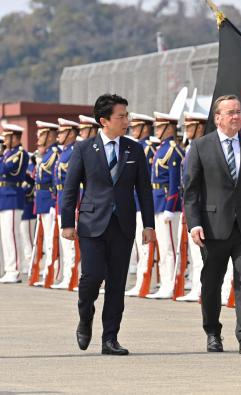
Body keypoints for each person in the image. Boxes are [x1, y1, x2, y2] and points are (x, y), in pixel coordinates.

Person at [61, 93, 156, 355]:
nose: (127, 120)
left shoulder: (134, 148)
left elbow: (144, 190)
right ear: (104, 120)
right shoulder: (83, 149)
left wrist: (149, 224)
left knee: (117, 282)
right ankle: (85, 316)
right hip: (92, 224)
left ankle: (110, 338)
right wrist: (67, 223)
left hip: (123, 224)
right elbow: (70, 189)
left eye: (127, 115)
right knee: (91, 277)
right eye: (121, 116)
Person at [184, 94, 241, 354]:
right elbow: (191, 190)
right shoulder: (201, 146)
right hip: (213, 227)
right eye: (230, 112)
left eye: (238, 112)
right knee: (211, 282)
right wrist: (194, 224)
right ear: (218, 118)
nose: (236, 117)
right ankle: (213, 332)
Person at [145, 112, 184, 299]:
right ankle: (165, 283)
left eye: (160, 127)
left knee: (169, 248)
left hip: (169, 204)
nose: (157, 130)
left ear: (169, 127)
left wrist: (170, 205)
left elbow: (175, 181)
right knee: (163, 247)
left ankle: (171, 284)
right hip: (157, 202)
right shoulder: (162, 148)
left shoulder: (173, 150)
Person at [176, 111, 208, 302]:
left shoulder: (204, 148)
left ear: (200, 127)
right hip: (190, 205)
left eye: (190, 126)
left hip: (202, 206)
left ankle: (202, 288)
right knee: (195, 255)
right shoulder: (191, 148)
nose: (187, 131)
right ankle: (197, 287)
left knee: (202, 253)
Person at [124, 112, 157, 296]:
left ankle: (147, 283)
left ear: (145, 127)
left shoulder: (148, 149)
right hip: (135, 203)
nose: (134, 130)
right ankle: (141, 282)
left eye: (137, 127)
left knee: (149, 247)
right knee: (139, 246)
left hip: (154, 203)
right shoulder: (138, 147)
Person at [51, 118, 81, 290]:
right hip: (62, 199)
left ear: (71, 133)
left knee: (72, 244)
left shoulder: (74, 151)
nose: (58, 135)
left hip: (71, 200)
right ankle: (68, 277)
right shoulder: (64, 152)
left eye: (62, 132)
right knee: (65, 244)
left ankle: (74, 277)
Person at [0, 123, 28, 283]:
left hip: (12, 195)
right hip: (4, 196)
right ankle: (9, 268)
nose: (4, 140)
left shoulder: (20, 153)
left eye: (7, 137)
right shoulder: (7, 153)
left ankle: (14, 270)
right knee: (5, 235)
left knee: (12, 234)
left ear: (15, 138)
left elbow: (8, 170)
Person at [33, 121, 59, 286]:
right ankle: (49, 271)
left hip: (49, 198)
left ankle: (53, 272)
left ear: (50, 136)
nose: (38, 137)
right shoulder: (46, 154)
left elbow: (50, 176)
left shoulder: (54, 153)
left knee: (51, 238)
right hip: (42, 198)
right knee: (46, 238)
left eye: (42, 134)